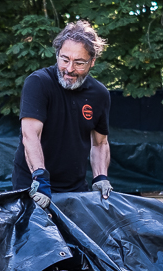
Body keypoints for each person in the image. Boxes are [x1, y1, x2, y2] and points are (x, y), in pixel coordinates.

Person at [12, 20, 113, 208]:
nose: (69, 69)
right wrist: (40, 177)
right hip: (33, 184)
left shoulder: (100, 94)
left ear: (92, 62)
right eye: (64, 59)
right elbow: (30, 135)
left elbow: (99, 143)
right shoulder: (39, 83)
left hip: (75, 188)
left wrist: (100, 177)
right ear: (57, 54)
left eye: (79, 63)